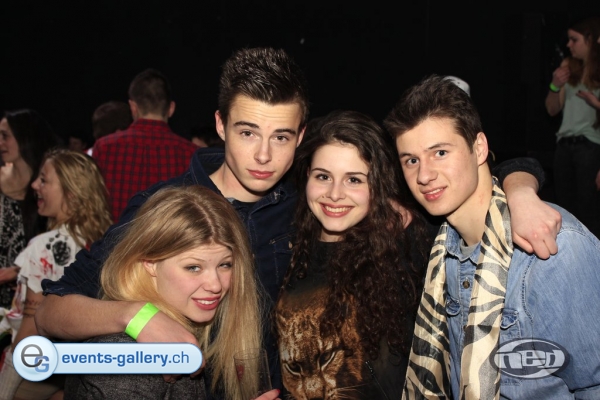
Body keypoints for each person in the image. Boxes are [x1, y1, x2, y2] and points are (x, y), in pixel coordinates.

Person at [36, 47, 559, 398]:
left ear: (300, 135)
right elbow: (51, 311)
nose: (264, 156)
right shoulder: (168, 209)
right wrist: (134, 316)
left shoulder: (306, 205)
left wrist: (519, 190)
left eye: (281, 137)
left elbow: (465, 176)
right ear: (220, 125)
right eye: (247, 133)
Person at [385, 74, 600, 399]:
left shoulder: (553, 250)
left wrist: (522, 189)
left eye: (440, 152)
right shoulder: (441, 250)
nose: (424, 175)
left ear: (479, 147)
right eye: (411, 160)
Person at [63, 185, 277, 400]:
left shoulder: (197, 326)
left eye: (225, 265)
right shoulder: (128, 356)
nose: (215, 285)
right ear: (150, 263)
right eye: (193, 267)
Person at [275, 110, 432, 399]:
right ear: (307, 175)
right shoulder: (285, 245)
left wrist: (518, 181)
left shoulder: (405, 245)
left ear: (378, 185)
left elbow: (474, 191)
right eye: (323, 176)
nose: (335, 194)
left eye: (354, 180)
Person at [0, 149, 112, 400]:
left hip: (36, 368)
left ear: (71, 194)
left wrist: (5, 389)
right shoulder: (102, 241)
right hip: (78, 369)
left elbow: (29, 333)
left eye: (44, 180)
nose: (34, 185)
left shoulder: (43, 247)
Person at [91, 68, 198, 221]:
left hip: (116, 236)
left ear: (133, 107)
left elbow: (93, 205)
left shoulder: (104, 147)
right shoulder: (191, 154)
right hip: (168, 236)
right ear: (171, 108)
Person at [545, 16, 600, 238]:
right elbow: (551, 110)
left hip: (591, 147)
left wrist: (596, 103)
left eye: (574, 39)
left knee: (589, 211)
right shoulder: (567, 67)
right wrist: (554, 85)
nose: (569, 45)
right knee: (565, 210)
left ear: (590, 39)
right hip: (564, 146)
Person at [0, 109, 61, 310]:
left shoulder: (49, 187)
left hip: (36, 292)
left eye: (5, 136)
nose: (0, 142)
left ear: (25, 137)